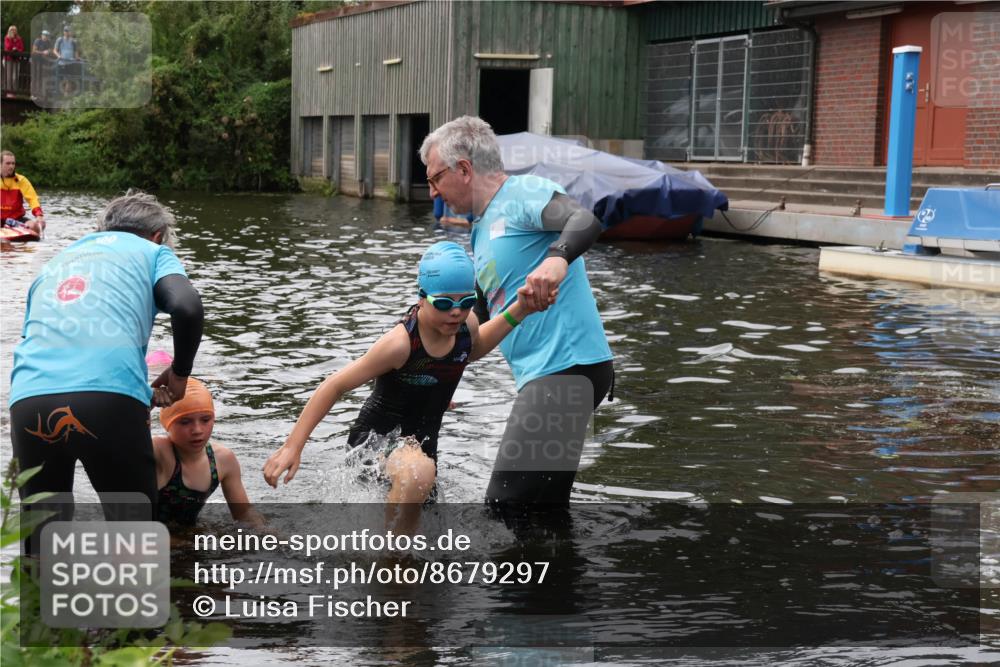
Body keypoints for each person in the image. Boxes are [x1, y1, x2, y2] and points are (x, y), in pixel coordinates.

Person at [263, 241, 551, 510]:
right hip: (375, 440)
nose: (456, 313)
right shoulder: (400, 344)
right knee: (418, 474)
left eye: (465, 302)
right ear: (422, 297)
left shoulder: (467, 325)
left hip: (423, 445)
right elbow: (335, 385)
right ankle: (394, 561)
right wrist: (292, 447)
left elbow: (471, 350)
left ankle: (394, 557)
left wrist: (521, 309)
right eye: (443, 304)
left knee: (423, 501)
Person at [419, 116, 614, 505]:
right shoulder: (481, 227)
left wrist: (557, 260)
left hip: (566, 369)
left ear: (464, 169)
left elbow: (584, 219)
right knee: (539, 511)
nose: (431, 192)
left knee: (506, 508)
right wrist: (439, 375)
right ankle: (561, 567)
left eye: (434, 178)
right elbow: (475, 320)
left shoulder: (522, 193)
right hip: (550, 376)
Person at [9, 190, 204, 522]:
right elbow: (187, 307)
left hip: (29, 400)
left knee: (42, 546)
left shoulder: (58, 261)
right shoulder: (154, 252)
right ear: (158, 235)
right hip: (108, 402)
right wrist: (180, 374)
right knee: (134, 539)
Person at [155, 378, 261, 527]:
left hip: (187, 538)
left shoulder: (222, 460)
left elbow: (243, 513)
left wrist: (268, 534)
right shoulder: (159, 450)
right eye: (185, 422)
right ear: (167, 424)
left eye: (205, 420)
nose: (197, 430)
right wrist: (148, 402)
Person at [1, 150, 45, 234]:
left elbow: (33, 199)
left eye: (13, 163)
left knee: (35, 227)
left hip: (16, 219)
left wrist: (39, 215)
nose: (11, 166)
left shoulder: (21, 180)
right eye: (8, 163)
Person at [3, 26, 24, 91]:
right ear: (9, 31)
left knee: (15, 76)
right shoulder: (7, 38)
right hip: (8, 59)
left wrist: (16, 49)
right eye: (12, 30)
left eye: (14, 30)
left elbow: (22, 48)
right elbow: (7, 47)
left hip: (16, 59)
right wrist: (11, 39)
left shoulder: (19, 38)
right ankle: (8, 91)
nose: (13, 31)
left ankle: (15, 91)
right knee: (8, 76)